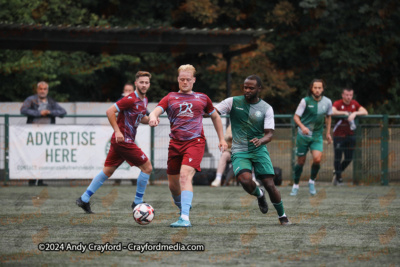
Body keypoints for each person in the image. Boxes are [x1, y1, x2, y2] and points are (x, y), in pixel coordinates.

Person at [148, 64, 227, 227]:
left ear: (194, 80)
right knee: (173, 185)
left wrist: (222, 139)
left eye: (188, 79)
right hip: (175, 143)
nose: (185, 82)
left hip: (195, 142)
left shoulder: (203, 98)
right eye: (182, 79)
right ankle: (183, 208)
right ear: (178, 79)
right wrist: (153, 117)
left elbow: (216, 117)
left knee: (185, 175)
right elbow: (155, 111)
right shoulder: (170, 97)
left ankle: (184, 217)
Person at [215, 74, 291, 225]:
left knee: (270, 184)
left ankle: (282, 216)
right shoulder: (233, 102)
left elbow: (269, 134)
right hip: (239, 150)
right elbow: (213, 112)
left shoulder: (266, 108)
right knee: (245, 180)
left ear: (259, 89)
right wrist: (200, 108)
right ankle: (259, 194)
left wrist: (261, 140)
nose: (247, 90)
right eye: (245, 87)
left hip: (259, 149)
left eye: (251, 88)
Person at [76, 71, 154, 214]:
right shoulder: (130, 98)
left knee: (108, 171)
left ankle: (84, 199)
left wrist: (150, 120)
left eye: (146, 82)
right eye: (141, 82)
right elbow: (109, 111)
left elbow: (140, 118)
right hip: (124, 140)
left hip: (121, 142)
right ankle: (137, 202)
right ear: (136, 83)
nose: (144, 85)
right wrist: (117, 131)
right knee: (147, 168)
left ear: (149, 84)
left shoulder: (144, 100)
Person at [290, 79, 332, 196]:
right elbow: (296, 117)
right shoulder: (305, 101)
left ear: (323, 89)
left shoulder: (328, 102)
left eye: (319, 88)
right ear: (311, 89)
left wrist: (328, 133)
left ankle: (312, 181)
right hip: (303, 136)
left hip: (317, 136)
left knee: (317, 159)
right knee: (301, 162)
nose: (317, 90)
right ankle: (296, 184)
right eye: (315, 88)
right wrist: (302, 127)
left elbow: (328, 117)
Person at [20, 81, 67, 186]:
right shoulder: (30, 99)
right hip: (32, 132)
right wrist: (39, 113)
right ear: (37, 90)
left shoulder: (51, 101)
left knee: (43, 156)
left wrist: (50, 112)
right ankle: (31, 180)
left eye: (45, 89)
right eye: (40, 89)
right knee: (32, 156)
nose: (42, 91)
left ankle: (40, 180)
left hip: (47, 134)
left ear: (47, 90)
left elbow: (63, 112)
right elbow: (23, 110)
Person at [332, 88, 368, 185]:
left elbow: (365, 111)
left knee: (349, 158)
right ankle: (339, 178)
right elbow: (332, 111)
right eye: (347, 95)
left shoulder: (354, 103)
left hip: (350, 135)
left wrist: (355, 113)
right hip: (339, 135)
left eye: (350, 95)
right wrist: (344, 113)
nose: (349, 97)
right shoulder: (338, 103)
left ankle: (337, 172)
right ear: (343, 95)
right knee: (338, 157)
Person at [113, 83, 135, 186]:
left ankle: (134, 177)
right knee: (120, 156)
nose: (128, 92)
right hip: (121, 132)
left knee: (131, 156)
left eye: (130, 90)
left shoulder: (138, 100)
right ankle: (117, 179)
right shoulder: (120, 100)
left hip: (131, 134)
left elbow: (145, 113)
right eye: (126, 90)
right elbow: (111, 111)